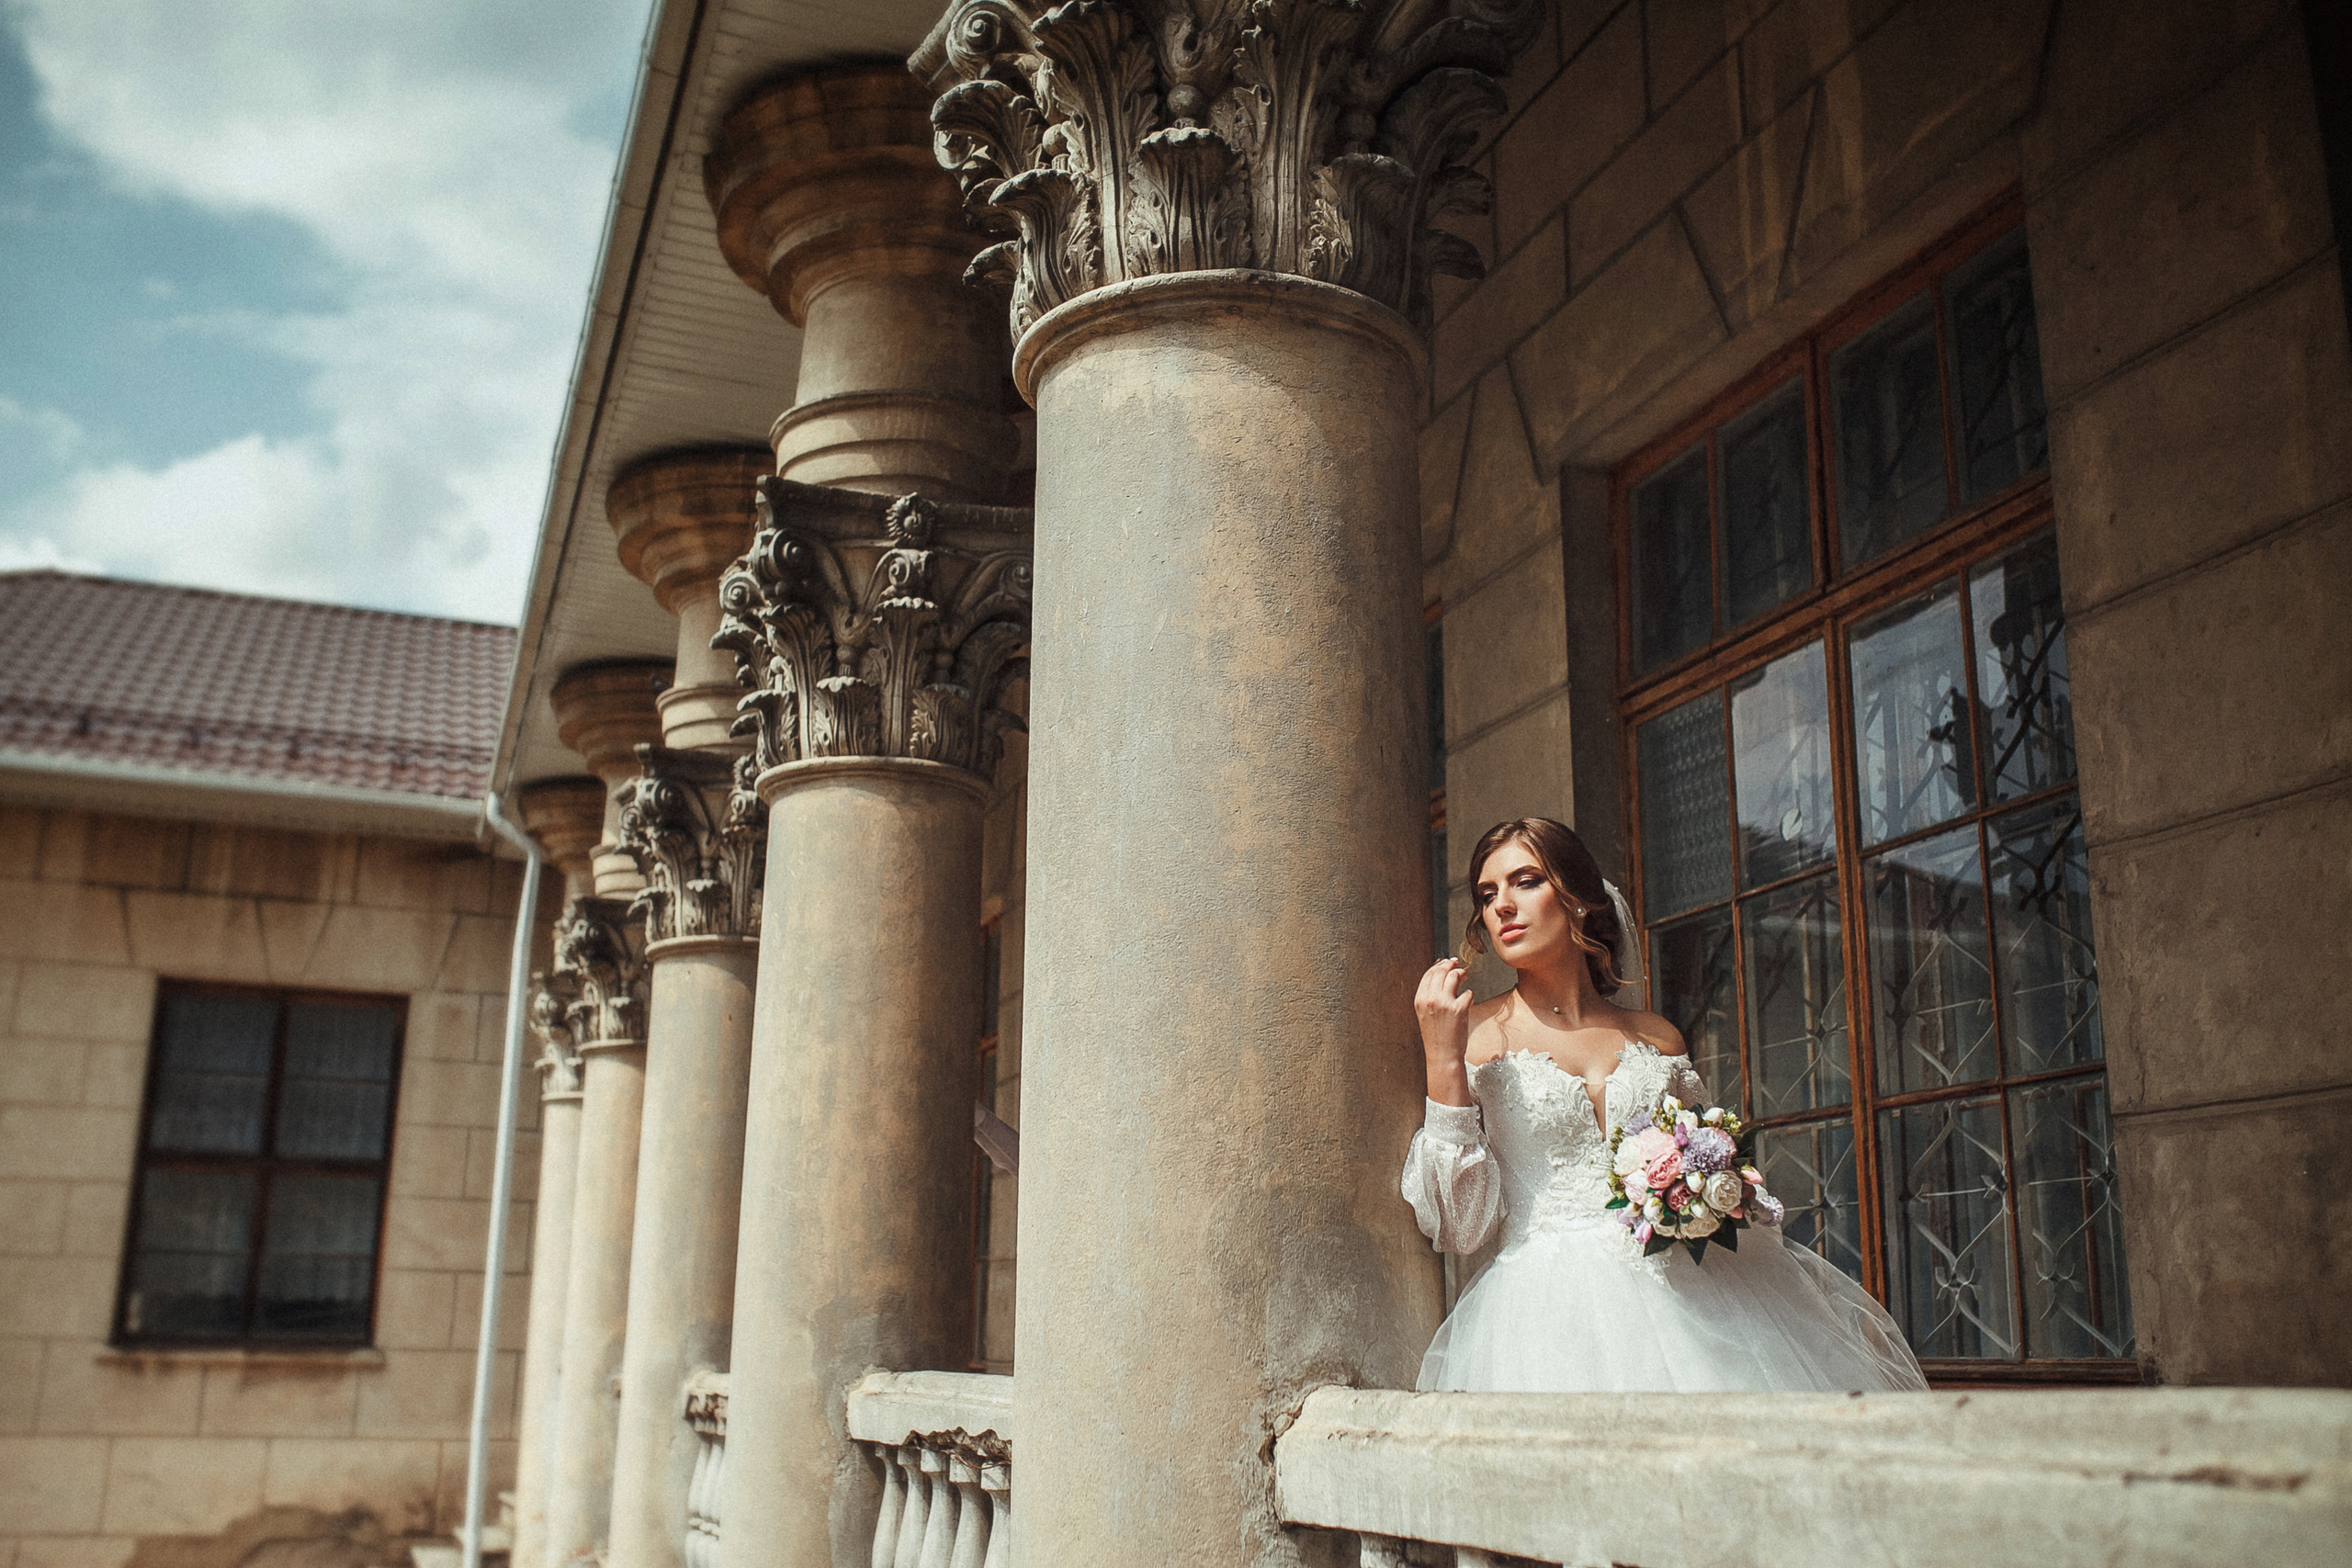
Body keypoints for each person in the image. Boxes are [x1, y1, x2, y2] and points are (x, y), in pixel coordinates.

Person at [1405, 817, 1926, 1393]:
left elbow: (1703, 1157)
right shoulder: (1472, 1034)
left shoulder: (1657, 1038)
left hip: (1690, 1293)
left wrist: (1706, 1190)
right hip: (1542, 1314)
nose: (1501, 905)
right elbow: (1460, 1227)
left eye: (1525, 881)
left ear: (1579, 898)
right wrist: (1442, 1059)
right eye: (1487, 894)